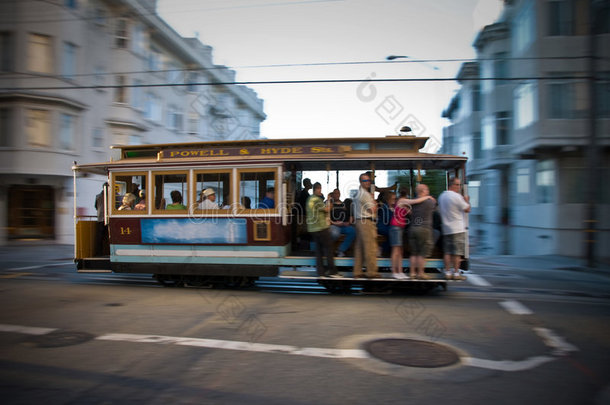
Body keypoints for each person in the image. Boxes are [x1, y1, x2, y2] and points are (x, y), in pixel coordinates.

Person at [438, 177, 470, 280]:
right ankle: (456, 273)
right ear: (452, 185)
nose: (459, 187)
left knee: (447, 252)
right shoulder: (457, 197)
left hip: (446, 228)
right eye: (458, 185)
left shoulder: (442, 196)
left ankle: (447, 272)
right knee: (457, 253)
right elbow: (467, 209)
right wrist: (466, 201)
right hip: (458, 228)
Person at [306, 182, 340, 277]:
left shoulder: (309, 199)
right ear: (316, 189)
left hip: (313, 229)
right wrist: (330, 201)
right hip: (321, 227)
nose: (320, 191)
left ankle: (320, 272)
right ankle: (332, 271)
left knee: (319, 251)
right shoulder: (316, 200)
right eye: (319, 189)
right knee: (329, 248)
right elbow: (327, 209)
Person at [406, 184, 437, 280]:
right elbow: (435, 208)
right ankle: (420, 273)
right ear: (423, 191)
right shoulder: (429, 202)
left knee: (414, 253)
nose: (428, 191)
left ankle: (412, 273)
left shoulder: (413, 202)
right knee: (422, 253)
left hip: (413, 229)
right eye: (427, 189)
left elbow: (409, 211)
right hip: (424, 229)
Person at [352, 172, 379, 278]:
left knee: (359, 248)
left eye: (368, 180)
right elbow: (372, 210)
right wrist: (375, 202)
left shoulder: (358, 193)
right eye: (365, 181)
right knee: (370, 247)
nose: (367, 182)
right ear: (360, 182)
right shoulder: (365, 194)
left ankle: (357, 271)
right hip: (366, 221)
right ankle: (371, 272)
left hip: (359, 221)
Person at [328, 189, 355, 257]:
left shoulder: (344, 204)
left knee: (353, 231)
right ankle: (329, 250)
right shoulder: (331, 205)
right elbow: (328, 219)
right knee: (335, 233)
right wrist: (334, 223)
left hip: (344, 225)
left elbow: (351, 216)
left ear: (340, 194)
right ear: (333, 195)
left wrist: (348, 222)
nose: (336, 195)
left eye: (338, 193)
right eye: (335, 193)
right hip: (334, 225)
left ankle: (340, 250)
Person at [376, 191, 395, 256]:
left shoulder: (392, 208)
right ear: (388, 199)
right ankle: (383, 250)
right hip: (382, 227)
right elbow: (387, 220)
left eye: (395, 199)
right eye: (393, 199)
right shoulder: (384, 207)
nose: (394, 201)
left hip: (388, 226)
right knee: (392, 232)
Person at [94, 182, 108, 256]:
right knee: (107, 237)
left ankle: (99, 253)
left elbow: (96, 206)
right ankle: (106, 252)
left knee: (100, 237)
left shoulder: (98, 196)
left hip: (100, 218)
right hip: (108, 219)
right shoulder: (111, 196)